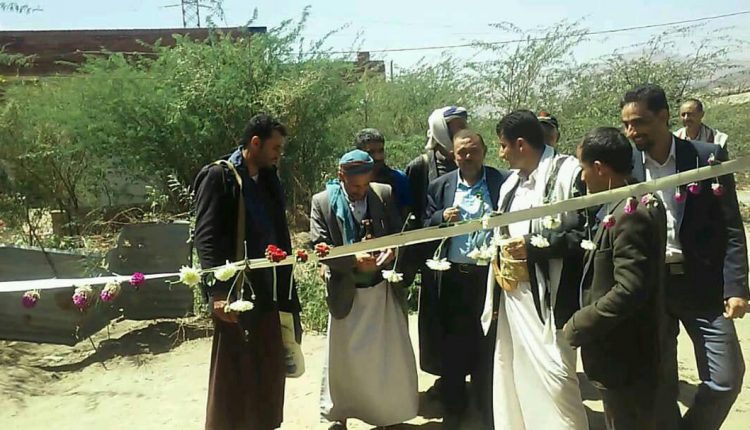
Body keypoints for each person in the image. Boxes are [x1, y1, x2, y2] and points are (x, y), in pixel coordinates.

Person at [622, 84, 748, 430]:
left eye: (639, 122)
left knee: (726, 379)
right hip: (650, 287)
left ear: (663, 116)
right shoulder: (626, 163)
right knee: (660, 384)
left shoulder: (707, 157)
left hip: (701, 286)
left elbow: (731, 226)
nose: (631, 132)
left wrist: (736, 287)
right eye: (626, 124)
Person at [193, 114, 302, 430]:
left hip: (270, 290)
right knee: (234, 375)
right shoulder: (220, 177)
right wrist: (216, 292)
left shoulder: (268, 179)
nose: (279, 154)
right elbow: (206, 237)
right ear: (255, 143)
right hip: (235, 293)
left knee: (268, 371)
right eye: (275, 147)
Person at [481, 110, 588, 429]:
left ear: (521, 144)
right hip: (515, 298)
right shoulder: (510, 184)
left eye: (503, 146)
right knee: (516, 372)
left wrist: (533, 245)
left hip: (552, 300)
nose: (501, 154)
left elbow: (585, 232)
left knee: (557, 379)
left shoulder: (569, 173)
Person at [563, 127, 672, 429]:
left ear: (599, 168)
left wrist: (580, 324)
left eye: (583, 168)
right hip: (625, 353)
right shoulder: (628, 200)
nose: (582, 177)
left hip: (625, 354)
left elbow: (630, 288)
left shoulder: (630, 212)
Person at [310, 149, 418, 430]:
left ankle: (386, 415)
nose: (360, 191)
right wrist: (352, 260)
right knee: (343, 361)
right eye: (354, 186)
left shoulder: (383, 193)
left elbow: (398, 234)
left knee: (385, 358)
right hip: (346, 291)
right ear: (341, 175)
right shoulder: (322, 202)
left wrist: (391, 251)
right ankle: (340, 415)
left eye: (365, 184)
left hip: (380, 291)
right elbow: (320, 246)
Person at [423, 130, 509, 428]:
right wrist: (440, 218)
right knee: (453, 347)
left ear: (484, 151)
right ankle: (454, 408)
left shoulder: (502, 181)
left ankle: (488, 408)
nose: (468, 157)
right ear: (453, 155)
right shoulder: (440, 186)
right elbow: (425, 223)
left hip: (491, 278)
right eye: (462, 152)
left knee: (489, 344)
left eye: (473, 150)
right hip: (454, 280)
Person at [404, 106, 468, 398]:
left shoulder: (469, 160)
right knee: (437, 321)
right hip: (433, 257)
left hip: (467, 254)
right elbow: (412, 213)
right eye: (454, 127)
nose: (460, 132)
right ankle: (446, 380)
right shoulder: (420, 166)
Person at [354, 128, 412, 216]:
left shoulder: (399, 179)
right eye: (371, 152)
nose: (378, 157)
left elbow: (407, 214)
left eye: (381, 151)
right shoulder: (352, 183)